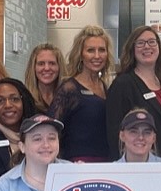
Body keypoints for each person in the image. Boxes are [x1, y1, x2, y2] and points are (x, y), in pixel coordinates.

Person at [106, 25, 161, 162]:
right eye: (140, 43)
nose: (147, 47)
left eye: (151, 42)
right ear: (132, 49)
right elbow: (114, 133)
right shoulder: (123, 84)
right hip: (143, 167)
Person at [49, 25, 115, 162]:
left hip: (106, 163)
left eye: (101, 50)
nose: (97, 56)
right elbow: (51, 129)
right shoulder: (69, 88)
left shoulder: (105, 87)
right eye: (91, 50)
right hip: (77, 165)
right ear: (80, 54)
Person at [24, 43, 67, 113]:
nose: (47, 68)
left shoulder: (69, 98)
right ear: (33, 68)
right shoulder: (25, 99)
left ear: (59, 67)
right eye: (41, 64)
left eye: (52, 63)